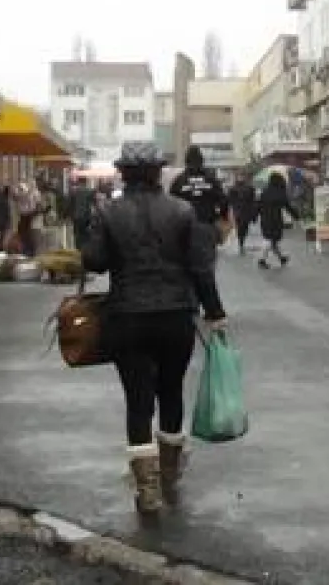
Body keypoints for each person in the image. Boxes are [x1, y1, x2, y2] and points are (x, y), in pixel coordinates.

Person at [81, 141, 226, 514]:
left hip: (127, 317)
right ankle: (170, 469)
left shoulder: (108, 211)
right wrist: (215, 312)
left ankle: (147, 489)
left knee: (138, 399)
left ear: (124, 174)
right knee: (171, 390)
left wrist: (95, 235)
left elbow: (94, 262)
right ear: (159, 172)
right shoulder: (182, 211)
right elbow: (200, 268)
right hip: (176, 315)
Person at [170, 145, 230, 249]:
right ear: (202, 160)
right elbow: (223, 201)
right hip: (206, 225)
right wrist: (223, 217)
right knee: (206, 260)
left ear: (186, 161)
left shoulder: (179, 180)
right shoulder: (211, 179)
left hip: (185, 228)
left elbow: (171, 203)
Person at [257, 172, 299, 269]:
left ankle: (281, 258)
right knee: (269, 240)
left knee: (272, 240)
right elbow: (288, 206)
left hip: (265, 219)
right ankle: (261, 260)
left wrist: (255, 216)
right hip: (275, 220)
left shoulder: (265, 192)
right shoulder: (280, 193)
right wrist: (296, 216)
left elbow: (258, 205)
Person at [227, 173, 257, 255]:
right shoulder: (233, 188)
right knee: (241, 226)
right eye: (240, 176)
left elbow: (253, 201)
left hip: (244, 210)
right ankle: (241, 242)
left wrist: (254, 213)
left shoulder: (249, 188)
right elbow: (230, 200)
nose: (241, 178)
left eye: (242, 176)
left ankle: (241, 242)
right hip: (239, 211)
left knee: (243, 227)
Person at [68, 177, 95, 250]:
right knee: (86, 234)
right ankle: (85, 248)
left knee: (77, 234)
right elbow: (93, 204)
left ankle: (78, 248)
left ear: (79, 182)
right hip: (86, 216)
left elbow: (70, 204)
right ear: (85, 182)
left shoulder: (73, 192)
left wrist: (70, 215)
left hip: (76, 216)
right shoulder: (89, 191)